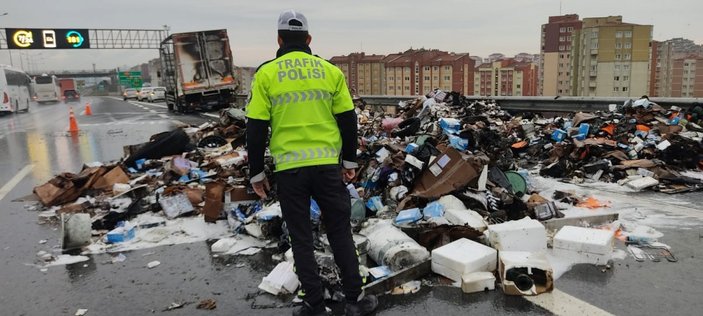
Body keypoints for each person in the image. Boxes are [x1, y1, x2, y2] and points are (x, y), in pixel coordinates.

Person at [245, 10, 378, 316]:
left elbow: (255, 127)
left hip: (290, 172)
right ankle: (354, 301)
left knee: (301, 236)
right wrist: (349, 161)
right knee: (339, 231)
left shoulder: (266, 74)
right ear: (308, 39)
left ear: (279, 39)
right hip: (327, 168)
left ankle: (314, 305)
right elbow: (348, 119)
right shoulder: (330, 72)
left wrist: (255, 173)